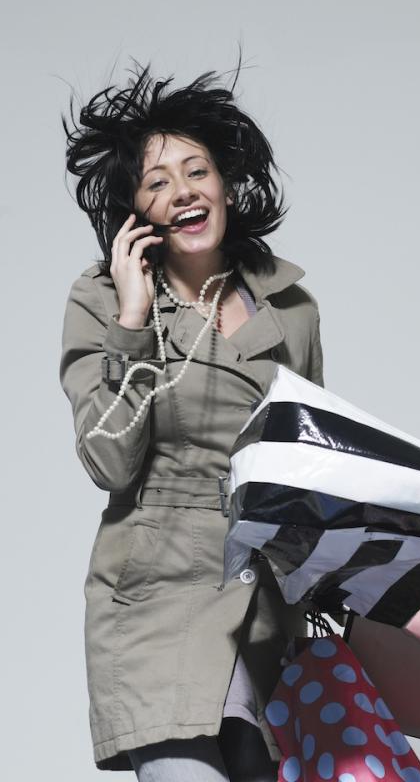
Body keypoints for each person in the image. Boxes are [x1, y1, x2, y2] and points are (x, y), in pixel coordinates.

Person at [59, 61, 325, 782]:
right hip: (157, 594)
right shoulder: (101, 299)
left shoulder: (290, 309)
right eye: (157, 182)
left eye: (196, 171)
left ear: (227, 185)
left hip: (262, 605)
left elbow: (313, 462)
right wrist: (133, 319)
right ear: (136, 213)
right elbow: (108, 462)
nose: (182, 191)